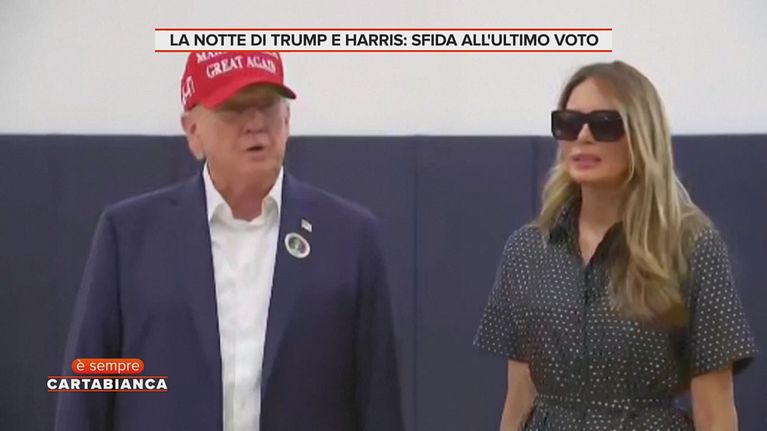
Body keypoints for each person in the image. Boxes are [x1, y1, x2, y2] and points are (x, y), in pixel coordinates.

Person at [55, 51, 404, 431]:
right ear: (193, 131)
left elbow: (378, 400)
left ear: (287, 120)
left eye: (268, 106)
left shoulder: (350, 239)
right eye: (234, 108)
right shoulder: (129, 236)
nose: (255, 124)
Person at [474, 61, 757, 430]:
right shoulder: (528, 249)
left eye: (605, 124)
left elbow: (715, 413)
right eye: (569, 123)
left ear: (642, 136)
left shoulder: (691, 246)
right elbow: (519, 396)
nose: (583, 136)